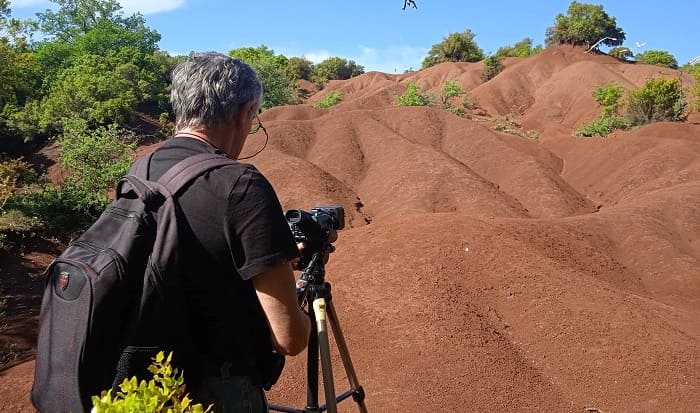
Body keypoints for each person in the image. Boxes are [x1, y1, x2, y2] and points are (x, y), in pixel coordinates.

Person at [146, 51, 312, 412]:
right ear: (243, 111)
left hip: (146, 384)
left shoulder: (140, 170)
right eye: (254, 119)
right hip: (215, 389)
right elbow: (288, 339)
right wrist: (302, 303)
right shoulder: (240, 184)